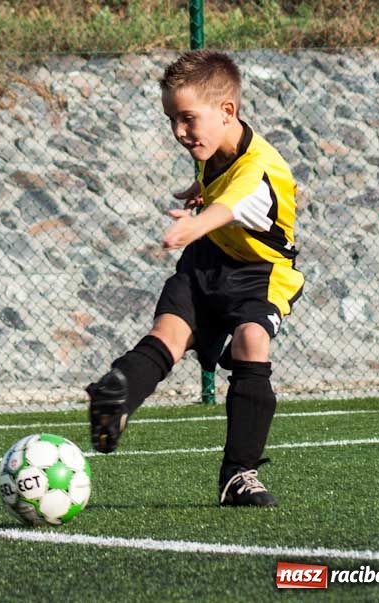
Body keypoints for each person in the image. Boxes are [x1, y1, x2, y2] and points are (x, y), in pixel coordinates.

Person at [86, 50, 304, 507]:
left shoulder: (262, 168)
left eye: (187, 119)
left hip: (258, 275)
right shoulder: (219, 146)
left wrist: (194, 224)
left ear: (227, 111)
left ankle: (239, 474)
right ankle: (117, 394)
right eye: (172, 120)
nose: (180, 132)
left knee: (251, 340)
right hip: (209, 260)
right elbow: (221, 193)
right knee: (168, 333)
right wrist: (199, 193)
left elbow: (234, 205)